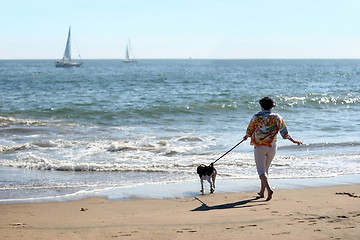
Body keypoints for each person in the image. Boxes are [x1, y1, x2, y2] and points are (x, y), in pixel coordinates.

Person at [243, 96, 302, 201]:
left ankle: (269, 190)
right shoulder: (277, 117)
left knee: (261, 171)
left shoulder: (256, 117)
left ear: (261, 106)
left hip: (260, 146)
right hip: (272, 146)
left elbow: (250, 130)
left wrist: (246, 136)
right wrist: (293, 140)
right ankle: (262, 192)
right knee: (265, 170)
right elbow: (284, 132)